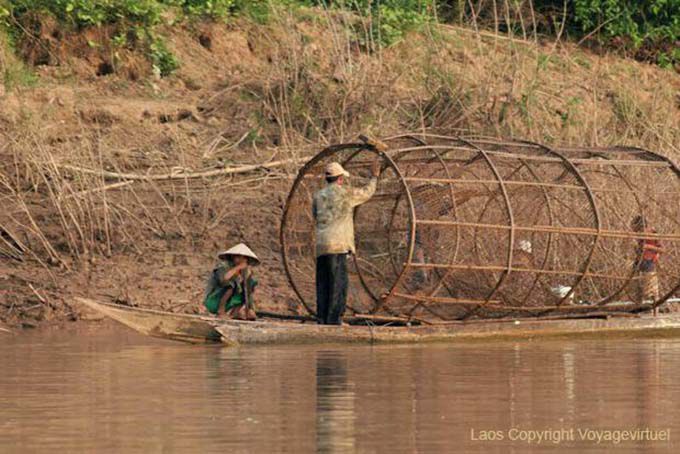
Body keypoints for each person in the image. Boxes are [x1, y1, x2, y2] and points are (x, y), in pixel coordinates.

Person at [313, 159, 381, 324]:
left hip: (322, 245)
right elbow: (366, 193)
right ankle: (335, 320)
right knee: (338, 283)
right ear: (340, 179)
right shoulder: (345, 193)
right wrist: (374, 177)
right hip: (338, 245)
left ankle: (322, 318)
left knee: (323, 283)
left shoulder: (317, 196)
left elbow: (315, 216)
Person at [204, 243, 259, 320]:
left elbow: (248, 291)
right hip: (214, 298)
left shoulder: (245, 271)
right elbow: (225, 279)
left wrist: (250, 308)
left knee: (250, 284)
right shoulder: (224, 266)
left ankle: (235, 312)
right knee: (230, 285)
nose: (241, 259)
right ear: (232, 257)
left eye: (244, 258)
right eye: (238, 257)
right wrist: (238, 267)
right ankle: (221, 311)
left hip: (231, 299)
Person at [631, 215, 664, 310]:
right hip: (639, 262)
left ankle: (654, 309)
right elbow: (639, 249)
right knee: (637, 288)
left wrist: (649, 247)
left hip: (649, 262)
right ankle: (637, 308)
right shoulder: (640, 236)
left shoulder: (653, 234)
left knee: (651, 289)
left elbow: (662, 249)